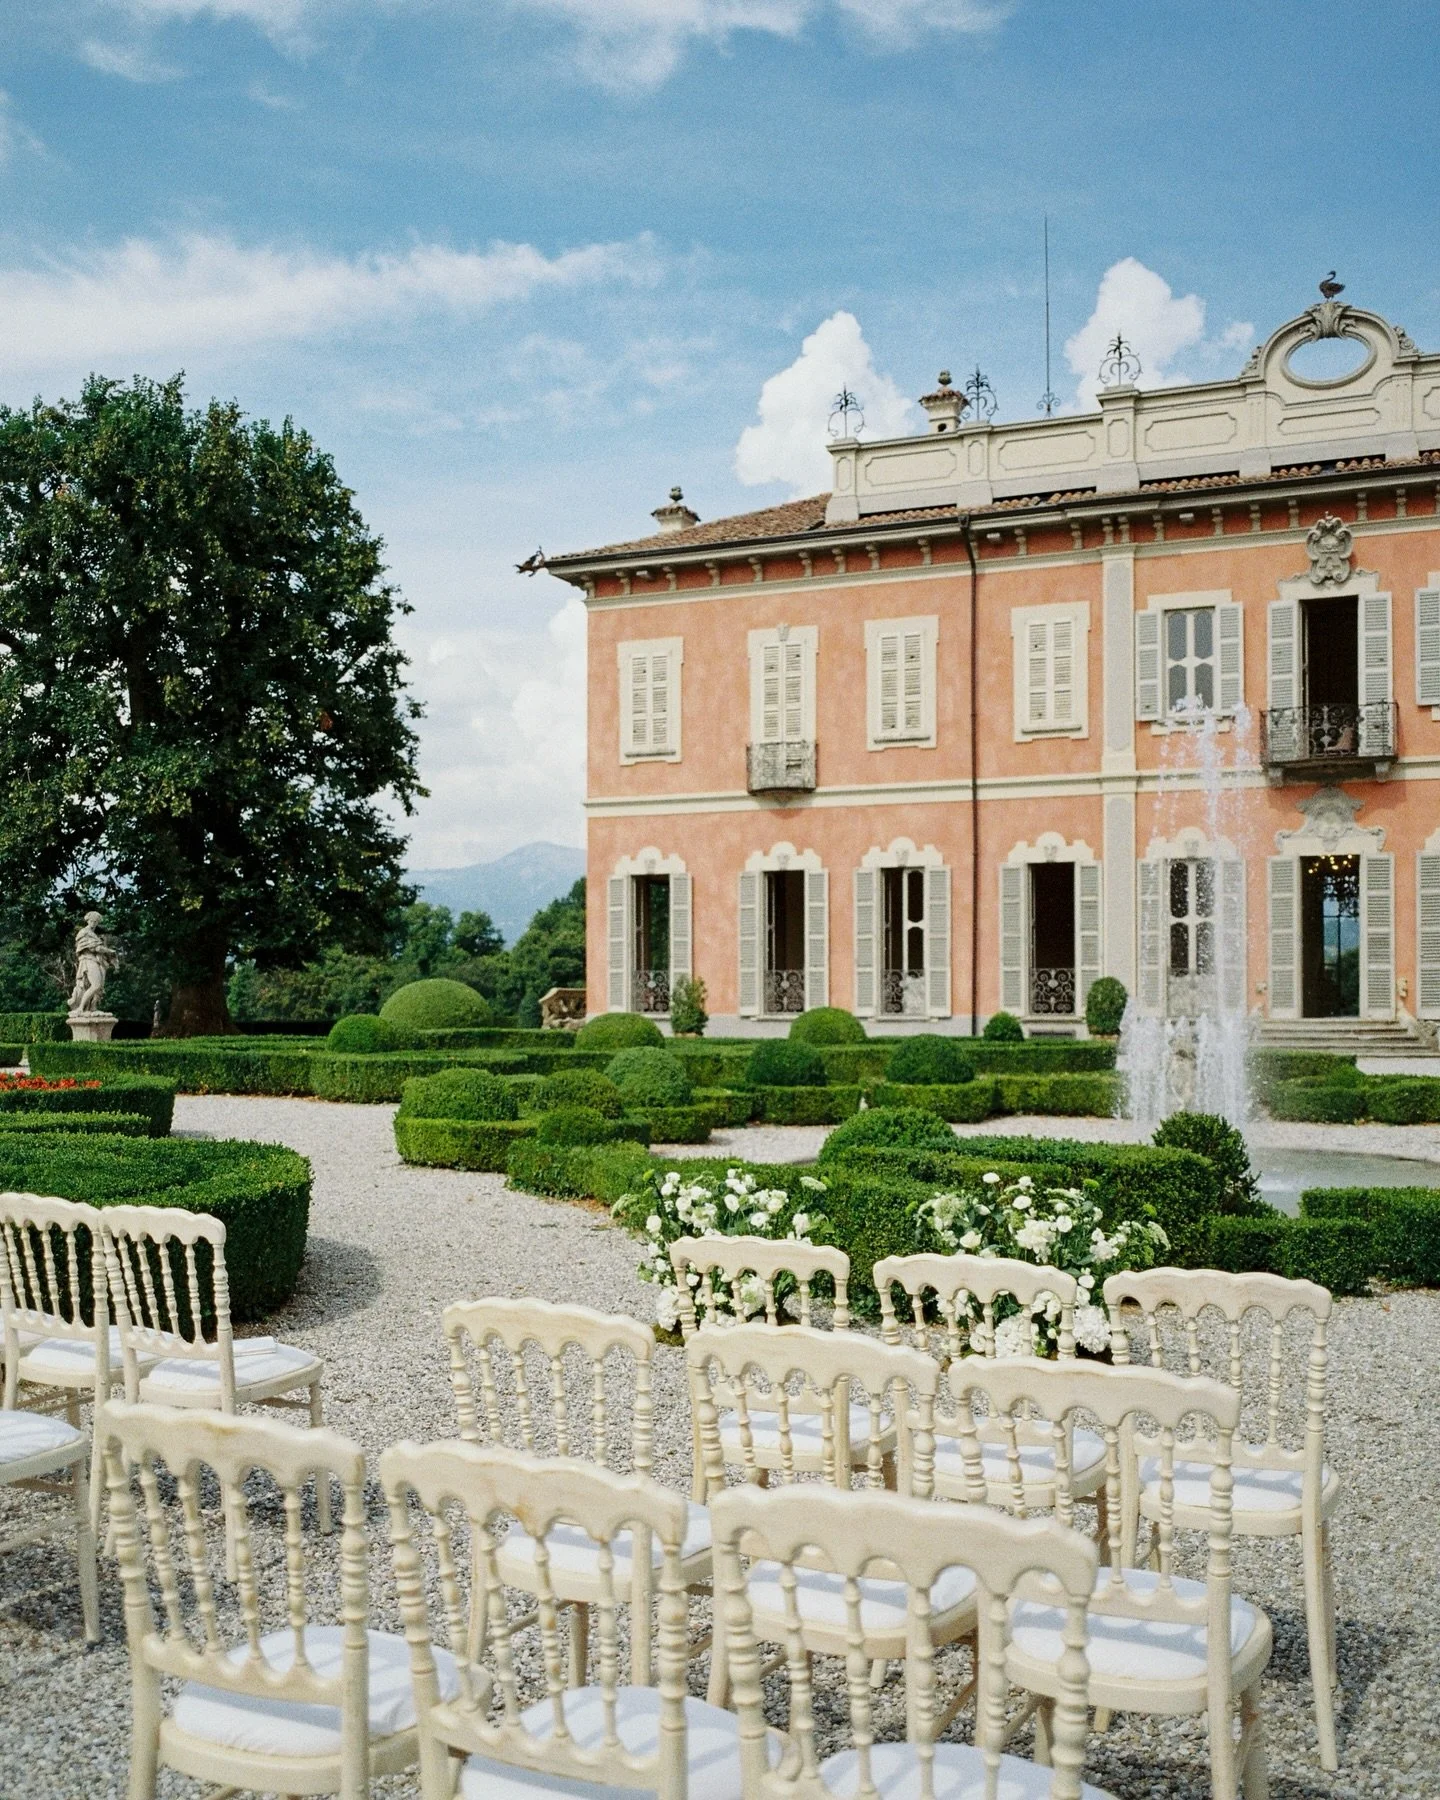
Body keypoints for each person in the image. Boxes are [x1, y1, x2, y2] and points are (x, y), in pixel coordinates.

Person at [68, 912, 118, 1014]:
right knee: (96, 985)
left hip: (96, 961)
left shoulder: (94, 935)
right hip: (88, 960)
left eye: (96, 922)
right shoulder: (84, 932)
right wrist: (110, 951)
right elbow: (95, 948)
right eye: (92, 921)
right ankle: (81, 1008)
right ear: (88, 921)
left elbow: (98, 948)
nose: (94, 923)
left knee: (99, 987)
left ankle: (93, 1007)